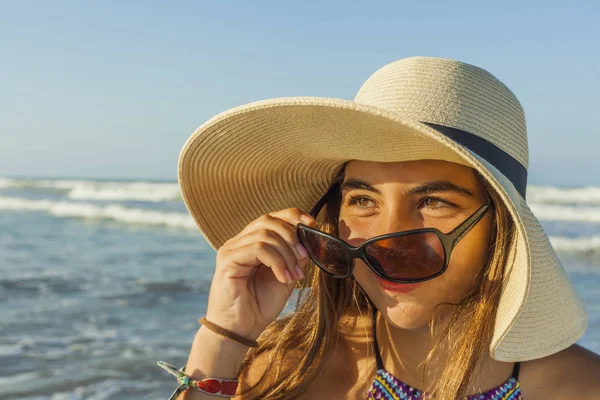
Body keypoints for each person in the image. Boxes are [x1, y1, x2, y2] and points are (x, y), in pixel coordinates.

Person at [158, 56, 600, 399]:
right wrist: (225, 334)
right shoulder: (288, 365)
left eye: (432, 201)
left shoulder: (582, 388)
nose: (384, 240)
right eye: (363, 200)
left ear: (501, 226)